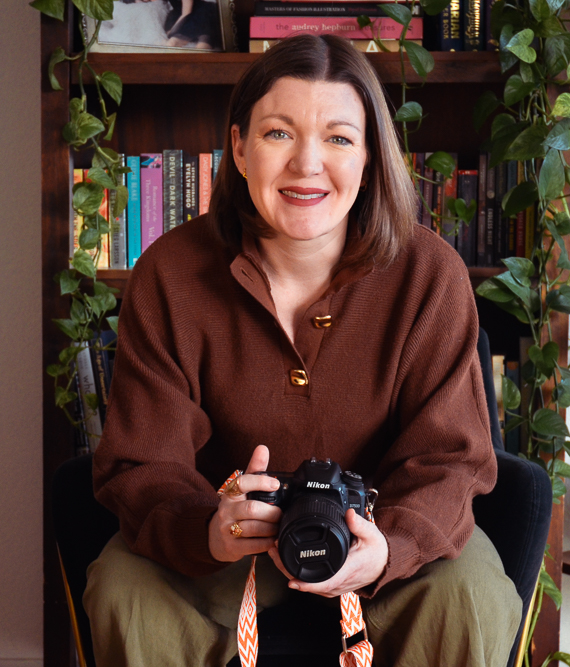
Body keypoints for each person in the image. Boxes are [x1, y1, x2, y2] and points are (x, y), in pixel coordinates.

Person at [84, 34, 522, 667]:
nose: (307, 165)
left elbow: (451, 457)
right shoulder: (170, 273)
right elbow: (141, 461)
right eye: (278, 134)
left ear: (371, 156)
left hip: (380, 539)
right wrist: (209, 526)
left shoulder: (430, 273)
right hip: (222, 545)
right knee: (123, 587)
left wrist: (390, 547)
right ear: (238, 147)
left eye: (339, 138)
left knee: (472, 592)